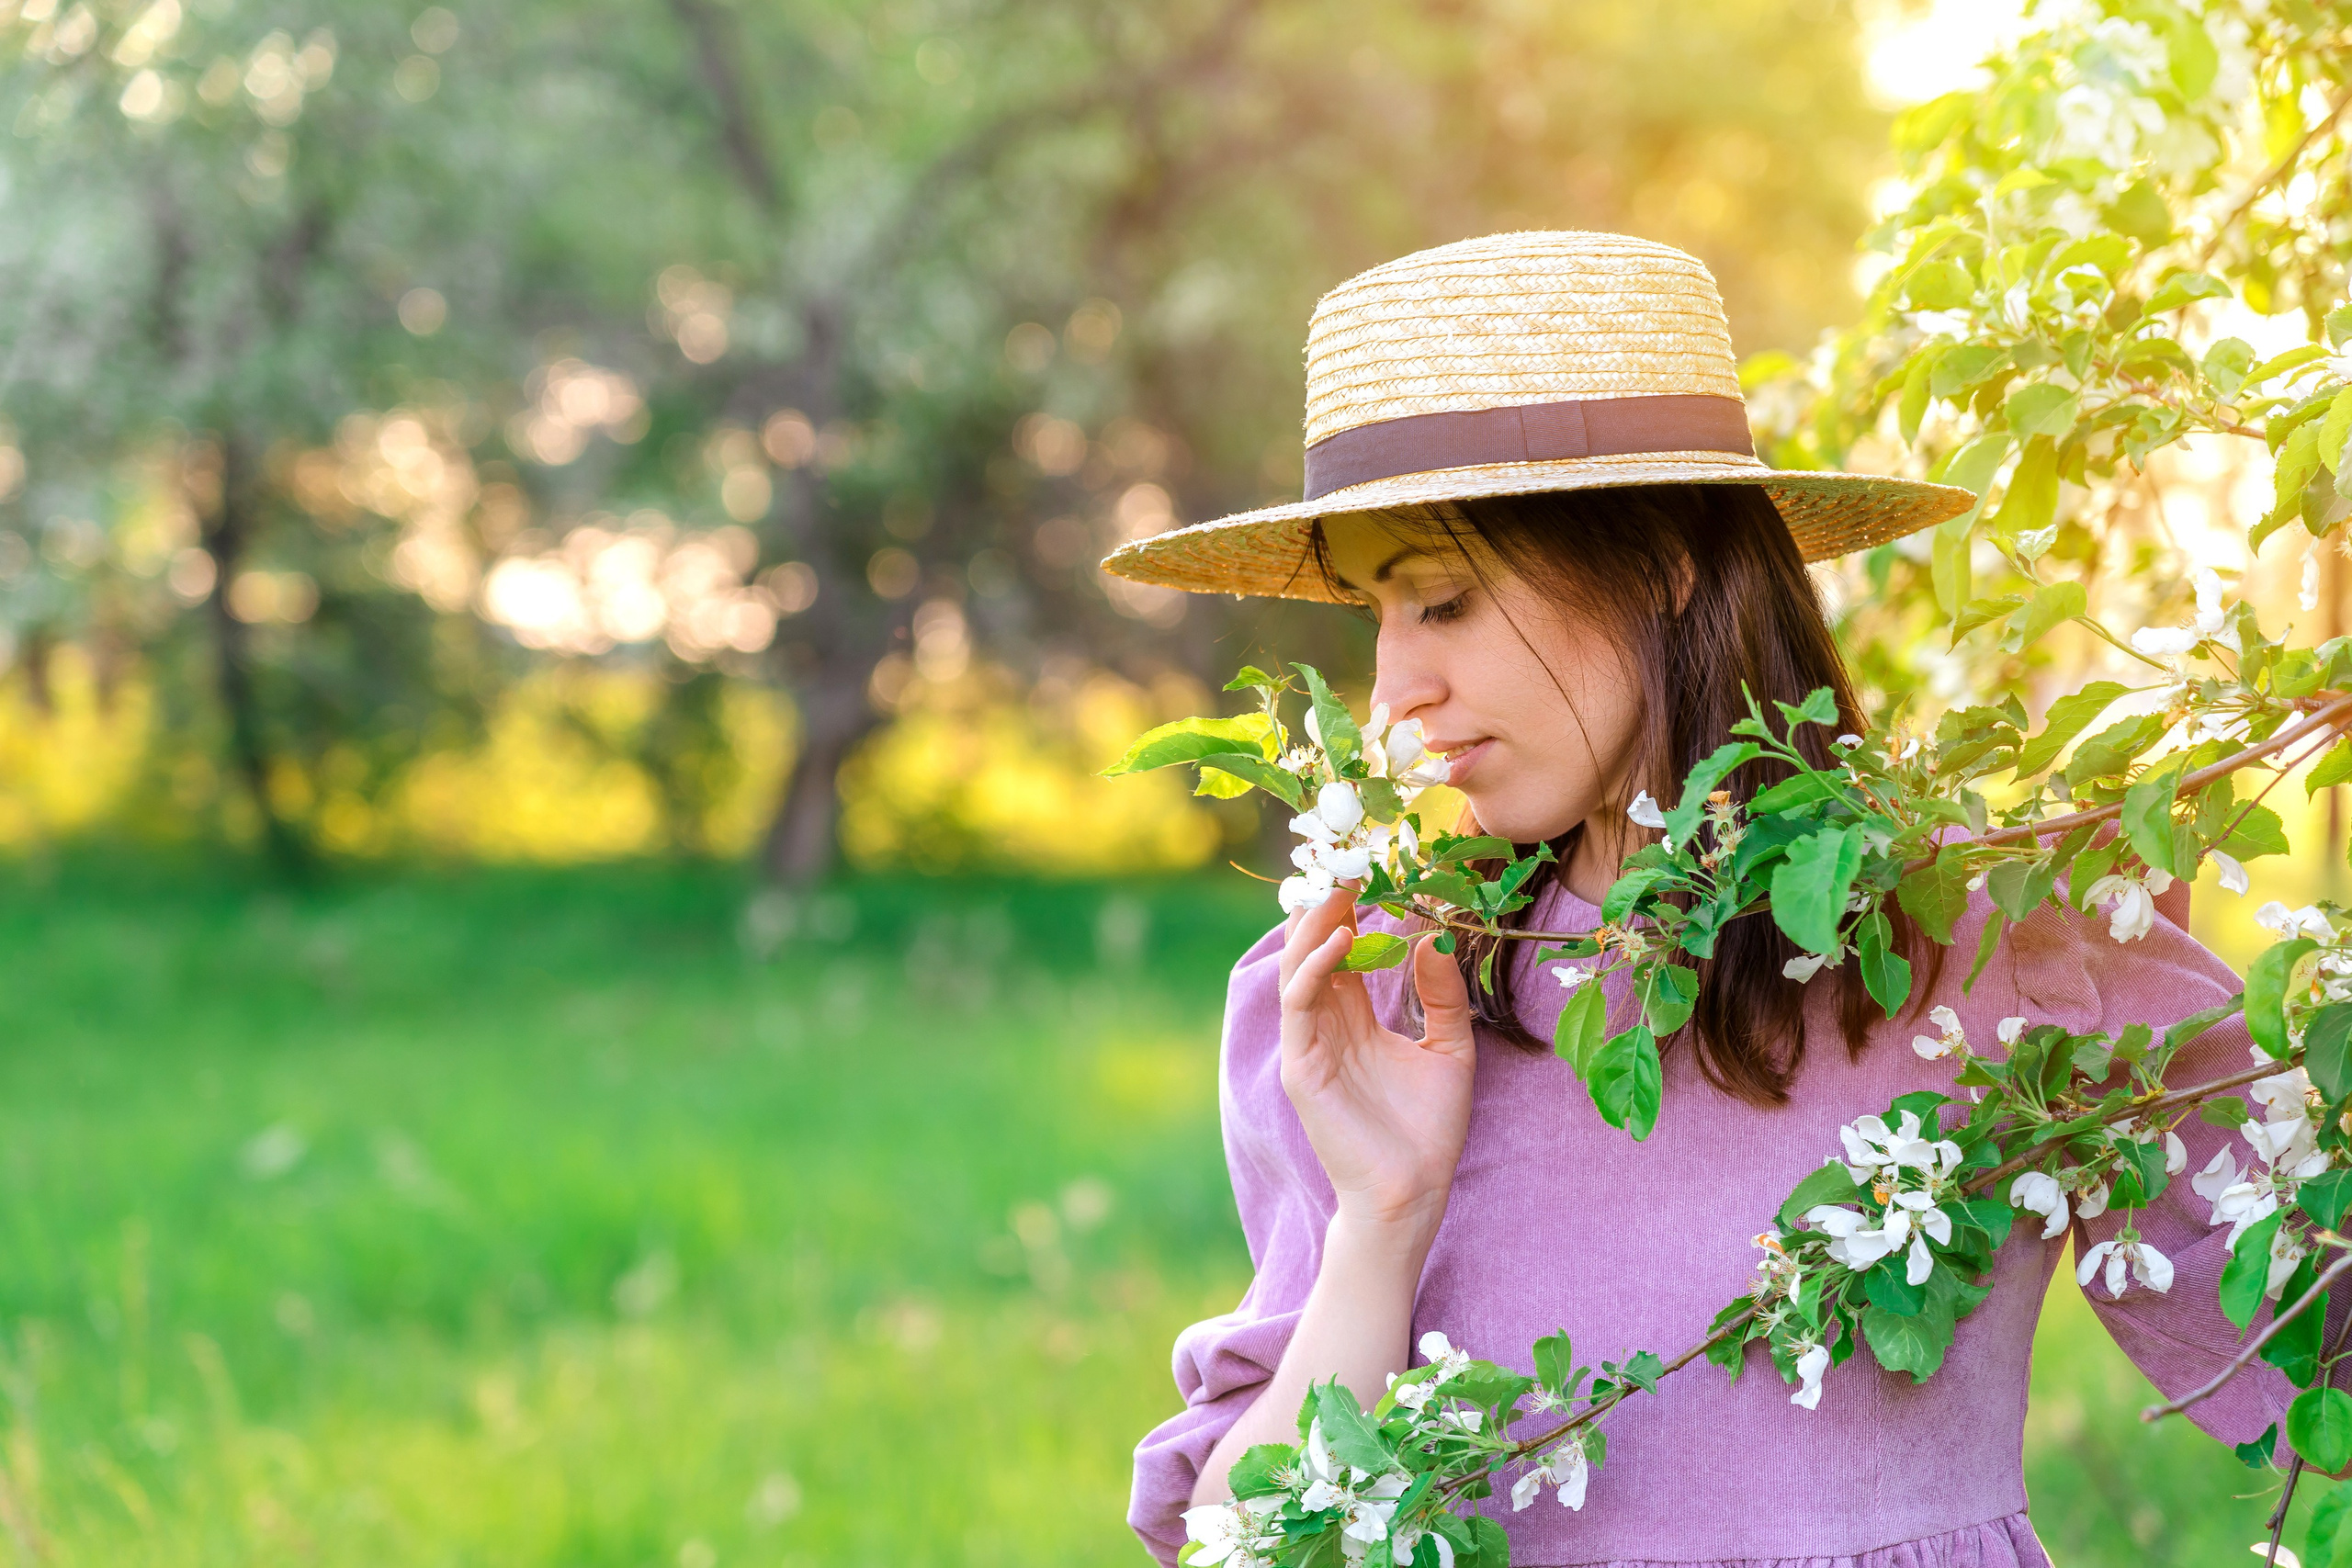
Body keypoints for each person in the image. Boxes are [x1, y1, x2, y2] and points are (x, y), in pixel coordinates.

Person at [1098, 231, 2294, 1568]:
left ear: (1661, 558)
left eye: (1441, 601)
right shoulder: (1377, 992)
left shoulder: (1992, 930)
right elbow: (1250, 1543)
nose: (1394, 695)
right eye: (1374, 615)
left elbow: (2311, 1340)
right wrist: (1383, 1218)